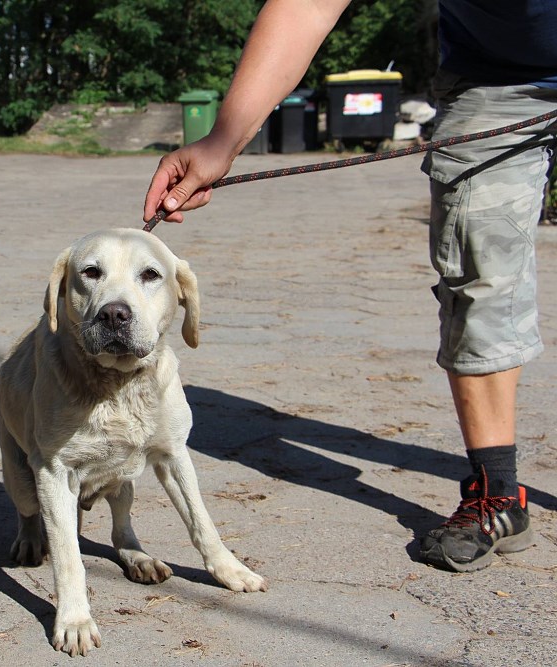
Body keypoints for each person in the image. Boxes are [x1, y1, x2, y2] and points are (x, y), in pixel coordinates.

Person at [144, 0, 557, 572]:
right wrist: (222, 142)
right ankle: (498, 494)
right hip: (498, 80)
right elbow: (309, 6)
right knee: (476, 269)